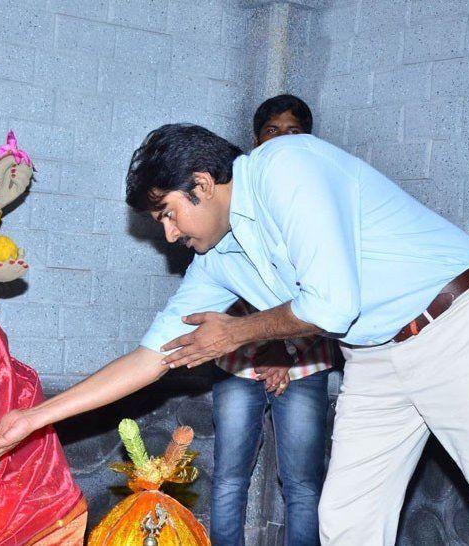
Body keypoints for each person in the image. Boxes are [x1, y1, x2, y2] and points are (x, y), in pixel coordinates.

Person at [0, 124, 469, 545]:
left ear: (201, 183)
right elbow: (153, 357)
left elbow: (333, 305)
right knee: (346, 519)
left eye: (169, 214)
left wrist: (236, 334)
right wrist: (34, 419)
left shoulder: (286, 166)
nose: (172, 235)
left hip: (454, 320)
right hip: (375, 355)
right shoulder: (217, 259)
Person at [209, 94, 334, 546]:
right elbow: (228, 285)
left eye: (294, 131)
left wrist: (286, 351)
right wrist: (266, 349)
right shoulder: (238, 197)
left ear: (310, 140)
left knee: (302, 484)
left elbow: (325, 291)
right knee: (228, 478)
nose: (282, 140)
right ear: (255, 139)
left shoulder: (312, 199)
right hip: (239, 362)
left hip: (304, 366)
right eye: (271, 131)